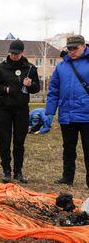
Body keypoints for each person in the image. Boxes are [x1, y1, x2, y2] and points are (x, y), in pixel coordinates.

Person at [0, 39, 40, 184]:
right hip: (4, 109)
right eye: (12, 53)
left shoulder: (30, 68)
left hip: (21, 110)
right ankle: (6, 170)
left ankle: (18, 171)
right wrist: (5, 89)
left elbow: (36, 88)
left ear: (22, 53)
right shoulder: (1, 68)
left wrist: (31, 85)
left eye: (17, 54)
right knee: (4, 141)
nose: (14, 56)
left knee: (19, 141)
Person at [45, 35, 89, 187]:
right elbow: (53, 90)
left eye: (75, 48)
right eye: (69, 48)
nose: (71, 51)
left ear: (84, 46)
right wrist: (50, 112)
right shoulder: (61, 66)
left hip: (87, 115)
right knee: (68, 148)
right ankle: (67, 177)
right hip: (67, 114)